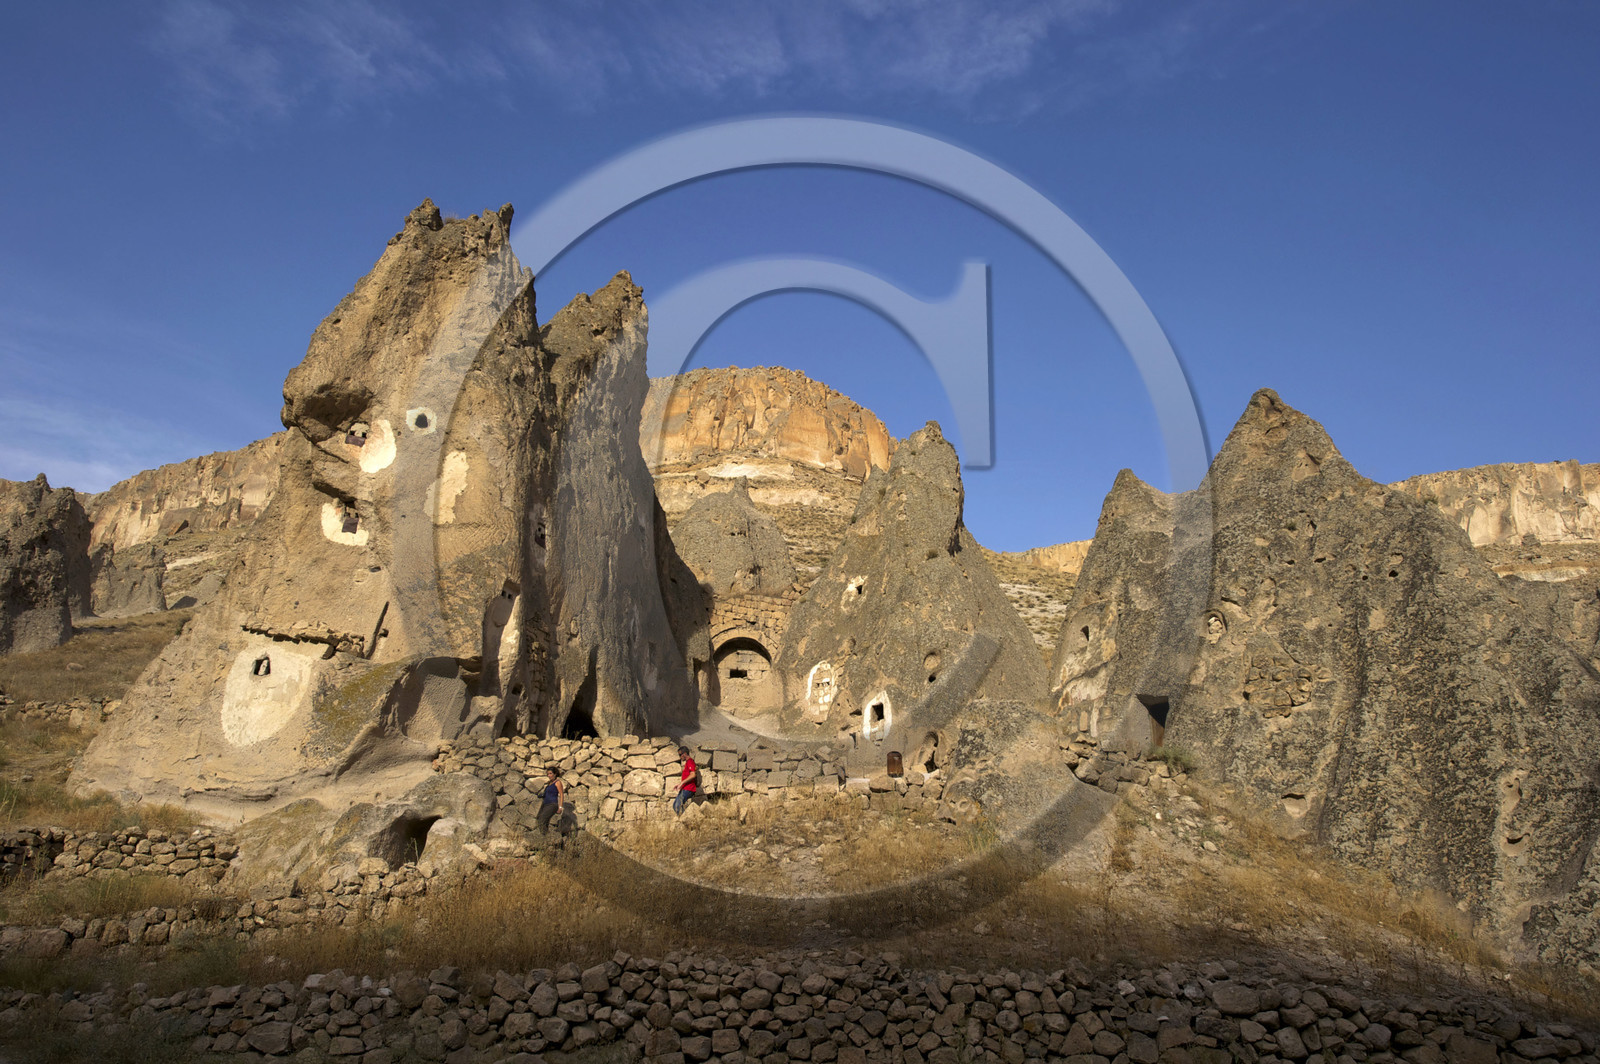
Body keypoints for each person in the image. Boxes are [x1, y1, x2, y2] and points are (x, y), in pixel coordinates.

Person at [536, 767, 565, 835]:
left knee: (542, 820)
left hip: (552, 804)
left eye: (550, 773)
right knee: (539, 818)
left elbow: (561, 794)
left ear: (555, 774)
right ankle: (545, 836)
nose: (549, 775)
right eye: (548, 774)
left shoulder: (558, 782)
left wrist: (560, 807)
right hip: (545, 804)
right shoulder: (549, 783)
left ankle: (545, 837)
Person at [672, 746, 699, 815]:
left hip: (688, 789)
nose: (680, 757)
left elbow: (693, 775)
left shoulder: (690, 762)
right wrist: (680, 784)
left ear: (684, 754)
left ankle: (687, 819)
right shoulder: (688, 763)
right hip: (685, 788)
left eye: (680, 755)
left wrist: (682, 783)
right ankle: (686, 818)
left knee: (677, 806)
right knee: (675, 805)